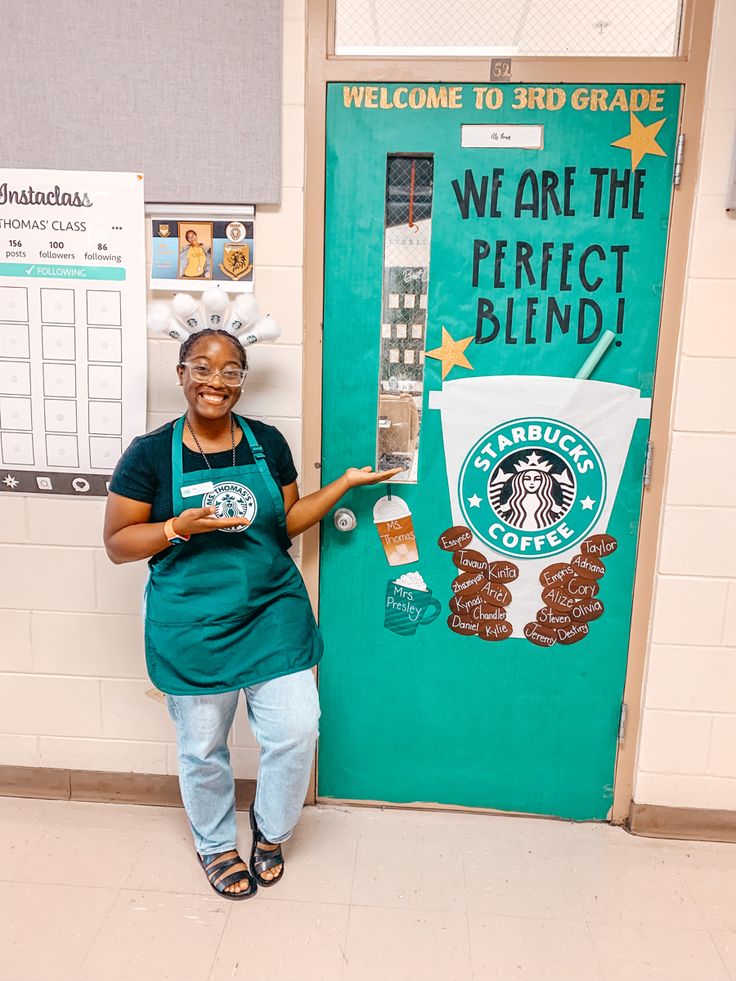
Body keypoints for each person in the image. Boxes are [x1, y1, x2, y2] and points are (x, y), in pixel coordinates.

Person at [104, 328, 399, 899]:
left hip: (271, 609)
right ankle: (215, 844)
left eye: (231, 370)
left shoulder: (266, 443)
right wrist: (172, 529)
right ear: (182, 372)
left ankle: (270, 830)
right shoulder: (148, 456)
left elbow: (283, 522)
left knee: (295, 729)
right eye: (204, 367)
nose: (218, 381)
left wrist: (343, 484)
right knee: (202, 745)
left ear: (242, 378)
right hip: (192, 620)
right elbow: (118, 543)